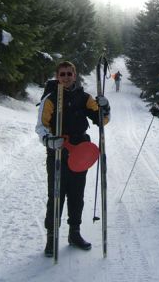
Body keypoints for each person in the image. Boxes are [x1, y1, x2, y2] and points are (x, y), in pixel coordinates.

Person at [35, 61, 110, 257]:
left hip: (80, 153)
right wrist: (48, 140)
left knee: (76, 195)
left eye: (69, 73)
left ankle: (74, 233)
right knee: (56, 195)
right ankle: (52, 237)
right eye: (62, 74)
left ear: (75, 76)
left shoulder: (84, 98)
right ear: (57, 76)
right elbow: (41, 126)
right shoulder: (50, 98)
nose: (66, 77)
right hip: (58, 152)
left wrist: (105, 107)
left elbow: (101, 119)